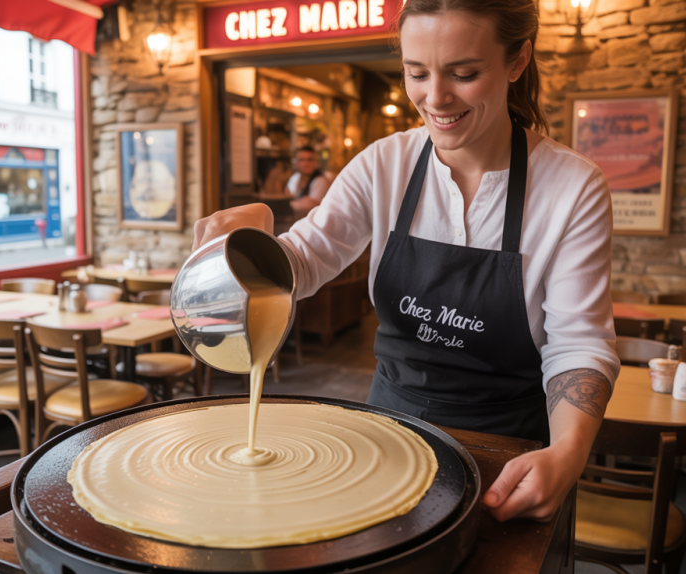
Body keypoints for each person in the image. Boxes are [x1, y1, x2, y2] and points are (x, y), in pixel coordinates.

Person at [193, 0, 619, 523]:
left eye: (464, 73)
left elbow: (579, 341)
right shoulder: (383, 164)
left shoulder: (572, 187)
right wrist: (250, 247)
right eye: (416, 73)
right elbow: (305, 259)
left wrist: (569, 453)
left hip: (512, 450)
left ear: (517, 60)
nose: (434, 98)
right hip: (389, 434)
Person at [285, 146, 331, 218]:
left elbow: (310, 206)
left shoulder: (321, 180)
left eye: (310, 160)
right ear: (296, 162)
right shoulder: (296, 177)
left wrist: (290, 204)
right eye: (301, 160)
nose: (305, 164)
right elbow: (287, 194)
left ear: (316, 162)